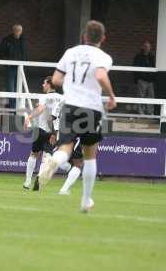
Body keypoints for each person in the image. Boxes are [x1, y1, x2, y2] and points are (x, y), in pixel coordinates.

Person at [38, 20, 117, 213]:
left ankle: (55, 160)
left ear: (84, 37)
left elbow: (56, 80)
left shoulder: (70, 52)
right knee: (90, 156)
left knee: (65, 147)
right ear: (103, 39)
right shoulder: (103, 56)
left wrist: (72, 82)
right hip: (91, 108)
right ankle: (85, 200)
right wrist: (111, 96)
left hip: (70, 106)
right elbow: (100, 76)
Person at [23, 76, 63, 189]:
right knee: (46, 156)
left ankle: (27, 182)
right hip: (53, 131)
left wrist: (29, 117)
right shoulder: (62, 98)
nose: (43, 85)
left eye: (44, 83)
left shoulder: (44, 97)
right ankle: (39, 178)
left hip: (41, 129)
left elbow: (40, 109)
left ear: (49, 84)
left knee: (33, 154)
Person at [0, 24, 28, 110]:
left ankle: (16, 106)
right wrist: (7, 62)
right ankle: (12, 107)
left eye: (20, 30)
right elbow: (1, 53)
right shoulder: (7, 40)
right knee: (11, 87)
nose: (18, 32)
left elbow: (25, 54)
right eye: (17, 30)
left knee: (19, 87)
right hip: (10, 67)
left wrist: (25, 64)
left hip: (20, 68)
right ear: (13, 30)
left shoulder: (24, 40)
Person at [133, 40, 156, 115]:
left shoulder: (152, 57)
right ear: (142, 47)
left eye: (148, 47)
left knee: (151, 97)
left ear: (150, 48)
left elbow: (155, 67)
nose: (147, 48)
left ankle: (150, 112)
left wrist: (153, 79)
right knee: (140, 97)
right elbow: (135, 69)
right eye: (145, 46)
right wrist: (137, 80)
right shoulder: (138, 57)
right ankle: (140, 112)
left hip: (150, 81)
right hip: (142, 80)